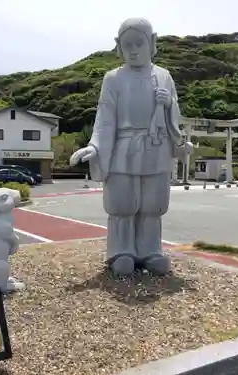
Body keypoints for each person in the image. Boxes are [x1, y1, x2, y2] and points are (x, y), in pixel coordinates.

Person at [70, 18, 192, 277]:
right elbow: (105, 117)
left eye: (139, 43)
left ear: (152, 43)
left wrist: (169, 103)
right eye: (128, 45)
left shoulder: (164, 76)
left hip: (156, 145)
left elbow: (176, 115)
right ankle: (120, 250)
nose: (134, 49)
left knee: (152, 204)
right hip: (123, 147)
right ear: (119, 47)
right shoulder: (113, 78)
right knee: (122, 203)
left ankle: (150, 251)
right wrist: (95, 146)